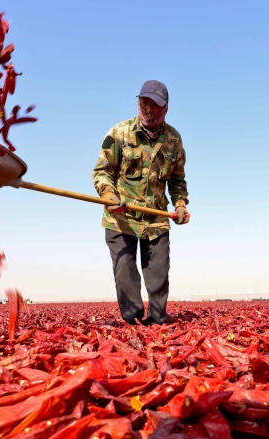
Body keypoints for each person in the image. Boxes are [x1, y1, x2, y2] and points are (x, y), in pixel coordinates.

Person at [92, 80, 190, 326]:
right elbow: (102, 171)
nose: (148, 109)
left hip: (156, 218)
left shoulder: (174, 140)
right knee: (124, 272)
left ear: (165, 109)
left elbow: (177, 179)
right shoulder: (118, 134)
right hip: (120, 217)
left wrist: (179, 205)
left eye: (154, 105)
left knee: (158, 274)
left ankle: (157, 322)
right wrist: (108, 194)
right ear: (137, 103)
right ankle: (132, 321)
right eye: (143, 103)